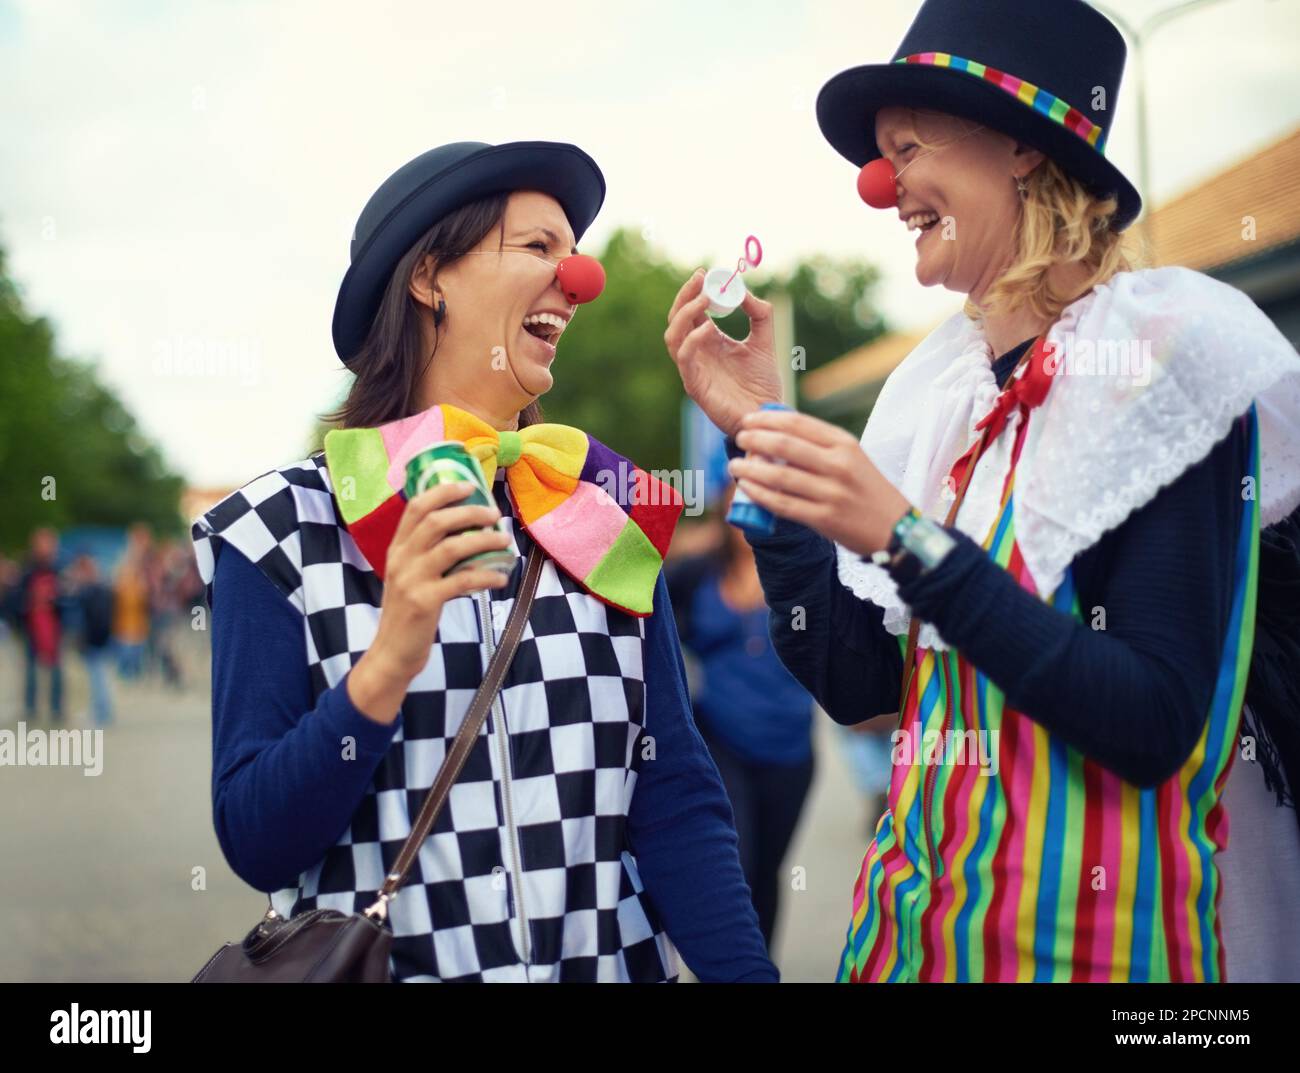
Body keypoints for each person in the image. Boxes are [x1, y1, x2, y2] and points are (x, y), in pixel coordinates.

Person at [664, 0, 1300, 982]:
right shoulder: (940, 395)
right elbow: (861, 681)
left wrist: (905, 537)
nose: (883, 187)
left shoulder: (1163, 362)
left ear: (1015, 146)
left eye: (906, 147)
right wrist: (761, 442)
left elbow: (1151, 720)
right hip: (919, 937)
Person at [191, 140, 775, 983]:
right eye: (538, 248)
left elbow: (675, 795)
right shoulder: (278, 528)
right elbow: (256, 839)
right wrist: (388, 660)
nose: (577, 280)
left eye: (572, 254)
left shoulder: (599, 508)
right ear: (430, 276)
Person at [666, 482, 815, 953]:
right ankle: (721, 964)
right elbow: (645, 610)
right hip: (720, 741)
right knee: (734, 865)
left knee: (767, 871)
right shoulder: (697, 574)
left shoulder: (803, 572)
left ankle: (756, 964)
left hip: (790, 748)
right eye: (737, 498)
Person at [15, 528, 64, 722]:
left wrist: (53, 600)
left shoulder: (59, 567)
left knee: (55, 669)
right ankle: (30, 708)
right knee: (31, 669)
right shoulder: (27, 568)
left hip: (54, 625)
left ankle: (56, 708)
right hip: (31, 624)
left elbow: (67, 596)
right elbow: (17, 597)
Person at [70, 554, 115, 727]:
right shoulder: (97, 589)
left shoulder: (95, 590)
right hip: (97, 640)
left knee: (98, 678)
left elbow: (97, 620)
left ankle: (101, 714)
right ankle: (100, 712)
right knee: (98, 678)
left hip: (96, 641)